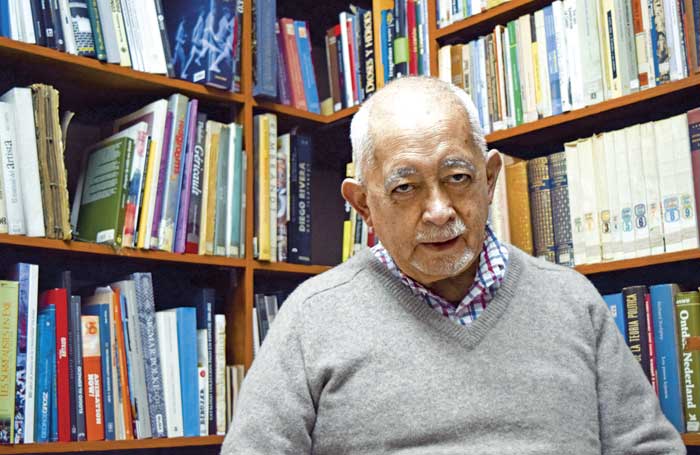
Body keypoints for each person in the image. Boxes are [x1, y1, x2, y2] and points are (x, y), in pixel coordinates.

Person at [221, 76, 685, 454]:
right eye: (405, 188)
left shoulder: (573, 301)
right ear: (363, 205)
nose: (439, 211)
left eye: (458, 177)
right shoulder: (312, 317)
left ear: (489, 179)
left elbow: (649, 447)